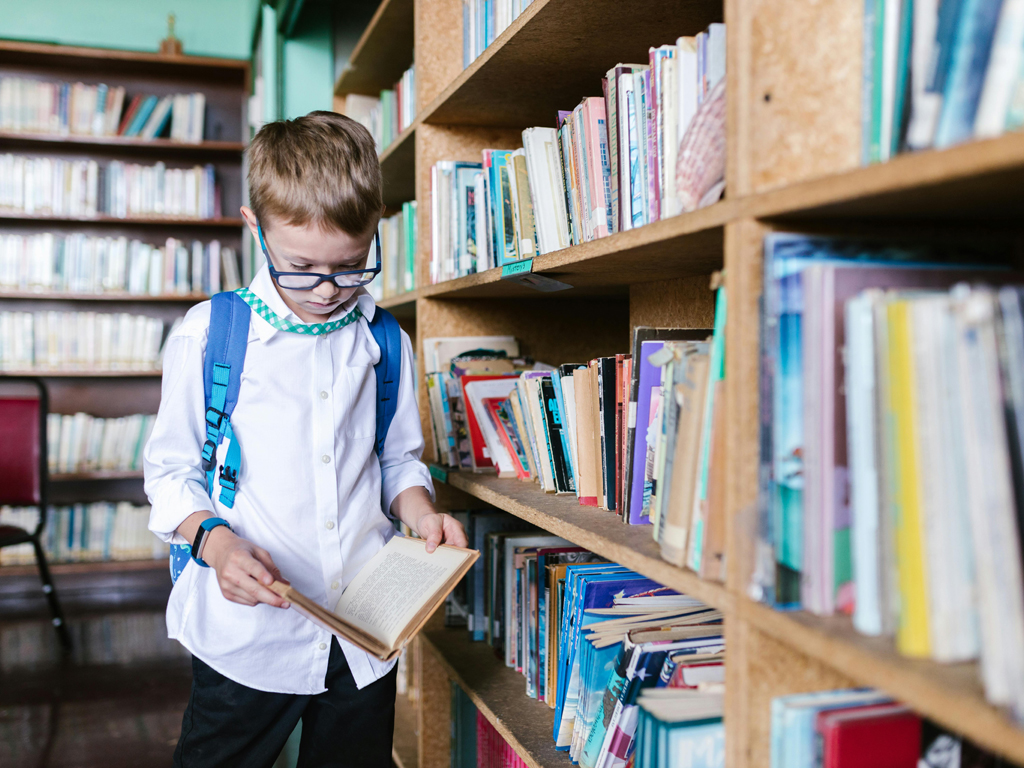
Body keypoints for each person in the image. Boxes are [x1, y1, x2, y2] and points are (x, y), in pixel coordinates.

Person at [144, 111, 468, 768]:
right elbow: (171, 473)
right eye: (301, 266)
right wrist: (217, 544)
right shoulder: (209, 333)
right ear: (255, 227)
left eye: (350, 267)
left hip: (363, 635)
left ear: (376, 225)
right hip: (250, 637)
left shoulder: (384, 341)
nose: (326, 289)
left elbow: (397, 459)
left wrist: (421, 512)